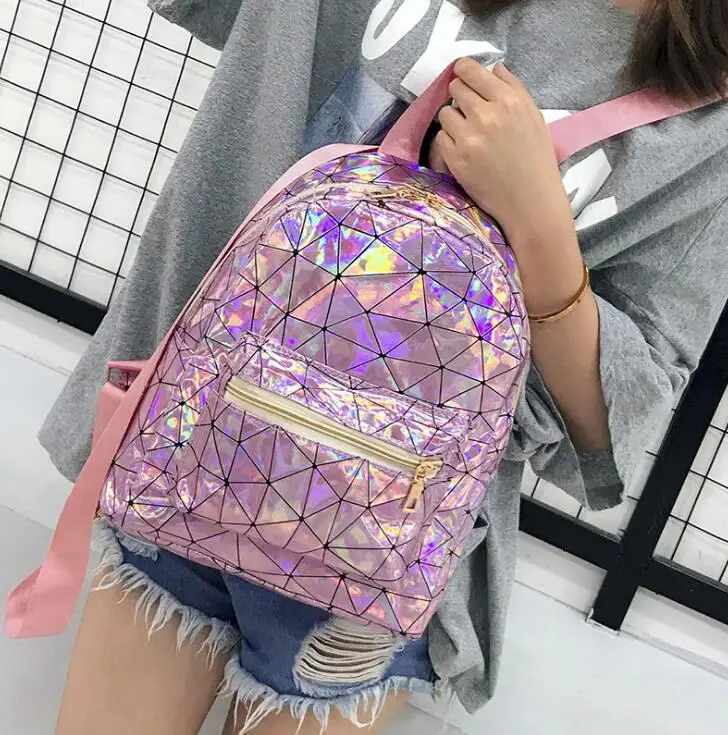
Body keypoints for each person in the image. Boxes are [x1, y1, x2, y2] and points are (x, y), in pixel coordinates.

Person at [38, 1, 728, 733]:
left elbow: (610, 440)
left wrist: (542, 228)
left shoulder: (708, 121)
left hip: (380, 552)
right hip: (192, 442)